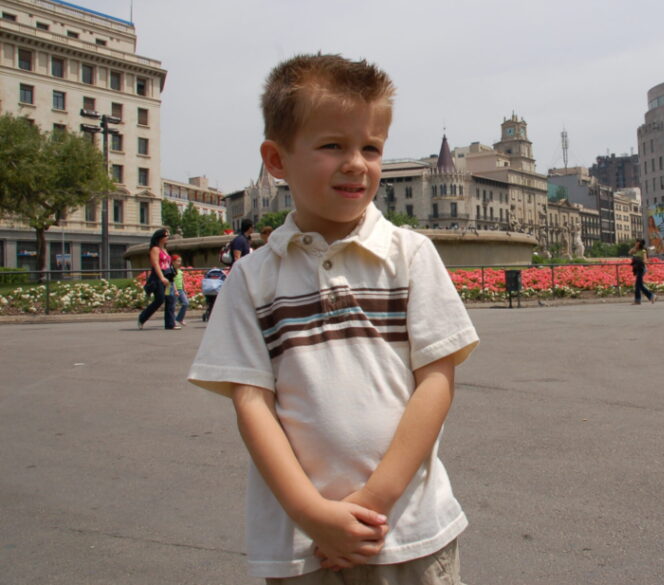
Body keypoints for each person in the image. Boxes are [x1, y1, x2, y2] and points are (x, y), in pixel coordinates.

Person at [187, 53, 479, 583]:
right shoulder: (253, 279)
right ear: (276, 160)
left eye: (371, 147)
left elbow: (436, 380)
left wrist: (373, 501)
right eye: (332, 146)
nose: (357, 163)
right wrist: (311, 514)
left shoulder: (410, 255)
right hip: (303, 545)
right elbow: (252, 403)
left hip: (409, 528)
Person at [137, 228, 177, 330]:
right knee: (160, 299)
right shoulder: (155, 249)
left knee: (170, 299)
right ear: (160, 238)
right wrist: (161, 277)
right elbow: (156, 264)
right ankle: (142, 318)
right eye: (166, 235)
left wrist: (173, 282)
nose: (168, 237)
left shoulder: (165, 250)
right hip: (159, 275)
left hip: (168, 275)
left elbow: (169, 265)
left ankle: (170, 324)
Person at [628, 238, 656, 305]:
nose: (636, 243)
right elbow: (629, 252)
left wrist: (643, 261)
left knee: (639, 285)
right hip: (637, 269)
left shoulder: (643, 251)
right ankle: (638, 300)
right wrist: (635, 247)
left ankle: (651, 296)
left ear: (641, 243)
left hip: (641, 268)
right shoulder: (636, 250)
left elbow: (645, 260)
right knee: (638, 285)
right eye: (636, 242)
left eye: (638, 242)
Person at [171, 254, 189, 327]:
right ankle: (172, 321)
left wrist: (184, 289)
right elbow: (172, 281)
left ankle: (179, 318)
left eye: (180, 261)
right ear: (173, 262)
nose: (179, 263)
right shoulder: (171, 270)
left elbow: (182, 281)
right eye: (178, 261)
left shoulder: (180, 271)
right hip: (173, 290)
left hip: (180, 290)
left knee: (186, 303)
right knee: (172, 306)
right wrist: (175, 290)